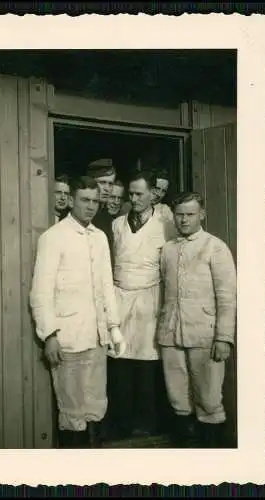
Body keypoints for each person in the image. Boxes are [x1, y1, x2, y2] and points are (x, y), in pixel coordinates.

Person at [30, 176, 126, 449]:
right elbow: (41, 291)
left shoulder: (99, 238)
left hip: (98, 336)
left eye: (96, 201)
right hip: (68, 338)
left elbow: (107, 285)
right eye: (85, 200)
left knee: (95, 402)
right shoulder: (54, 237)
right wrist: (49, 335)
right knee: (71, 408)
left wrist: (114, 326)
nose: (91, 206)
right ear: (71, 200)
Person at [157, 192, 237, 448]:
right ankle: (187, 455)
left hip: (205, 334)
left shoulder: (215, 247)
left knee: (209, 399)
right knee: (178, 399)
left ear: (201, 214)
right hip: (171, 334)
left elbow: (227, 298)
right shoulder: (168, 249)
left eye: (190, 214)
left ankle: (213, 457)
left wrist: (224, 337)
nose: (184, 220)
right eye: (179, 214)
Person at [106, 170, 167, 439]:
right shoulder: (117, 224)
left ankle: (147, 424)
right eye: (131, 194)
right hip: (120, 296)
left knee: (146, 364)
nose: (133, 198)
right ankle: (121, 422)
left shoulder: (165, 225)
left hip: (149, 298)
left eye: (139, 194)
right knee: (119, 362)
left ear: (152, 194)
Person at [86, 159, 116, 266]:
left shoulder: (106, 216)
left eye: (110, 184)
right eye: (102, 183)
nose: (107, 188)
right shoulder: (86, 214)